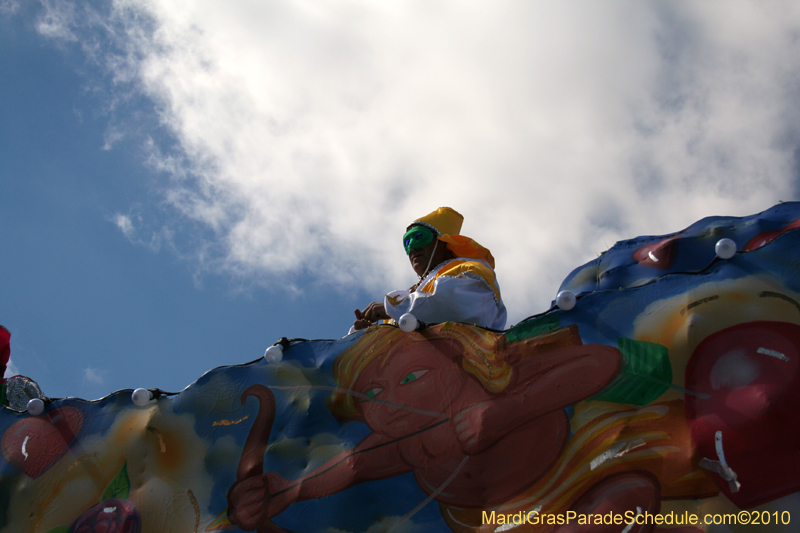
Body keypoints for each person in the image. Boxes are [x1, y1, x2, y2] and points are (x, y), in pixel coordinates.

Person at [352, 207, 507, 332]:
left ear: (444, 242)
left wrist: (392, 308)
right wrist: (370, 335)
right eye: (407, 242)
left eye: (419, 237)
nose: (412, 247)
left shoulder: (471, 270)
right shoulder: (410, 296)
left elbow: (454, 305)